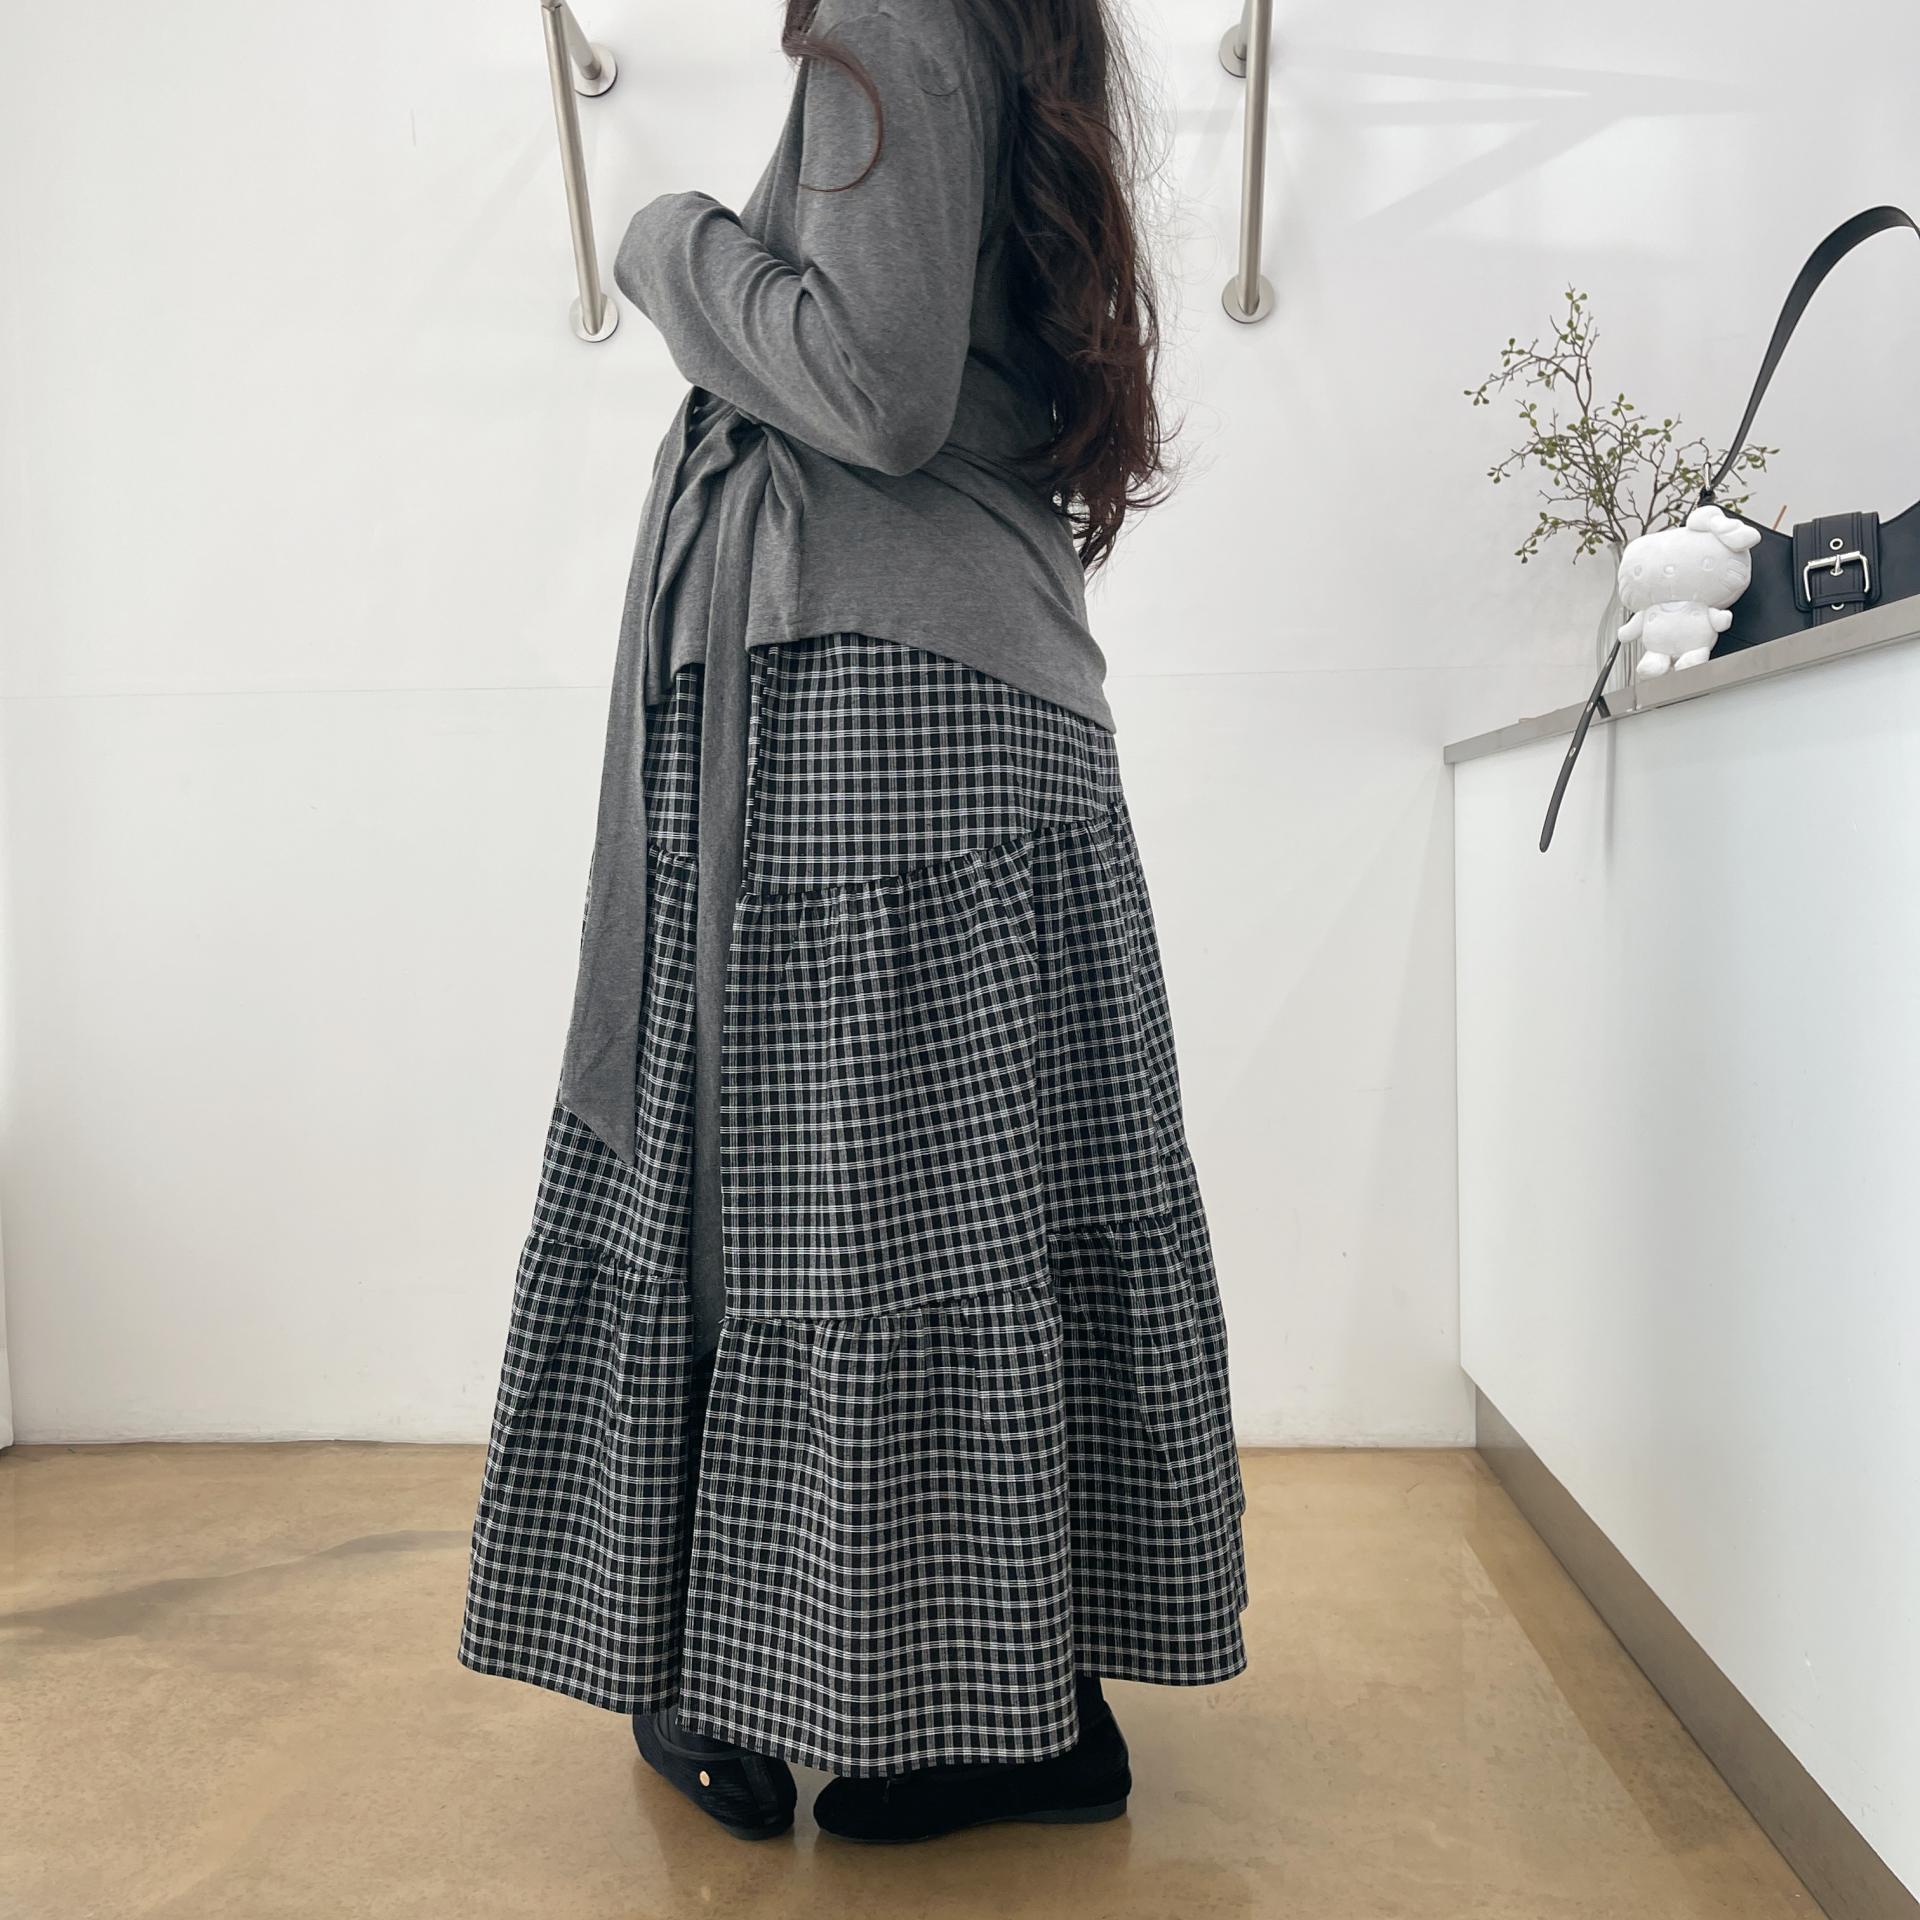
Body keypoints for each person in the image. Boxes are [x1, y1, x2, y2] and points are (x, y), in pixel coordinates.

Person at [458, 0, 1247, 1846]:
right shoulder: (1007, 26)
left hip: (861, 681)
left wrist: (671, 242)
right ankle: (1011, 1701)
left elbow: (874, 389)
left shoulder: (890, 11)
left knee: (805, 1199)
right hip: (987, 678)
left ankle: (789, 1679)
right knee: (971, 1200)